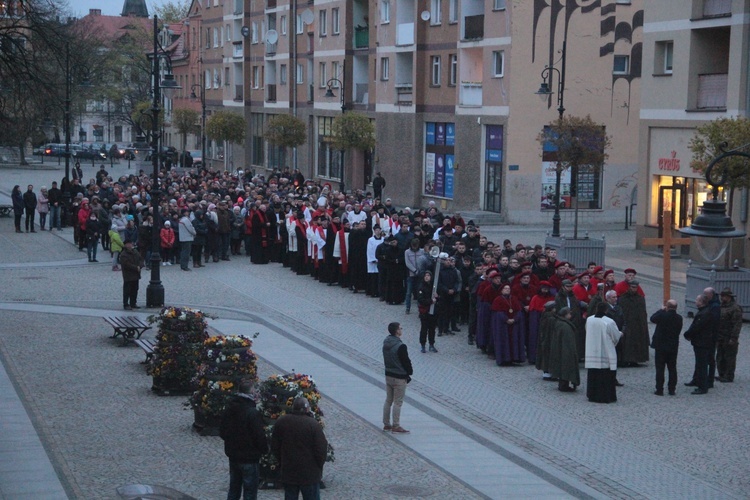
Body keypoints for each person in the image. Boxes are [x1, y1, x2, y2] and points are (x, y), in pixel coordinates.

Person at [271, 397, 328, 500]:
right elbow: (321, 449)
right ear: (307, 409)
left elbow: (275, 446)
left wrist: (282, 461)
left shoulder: (282, 422)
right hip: (309, 473)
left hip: (289, 471)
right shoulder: (313, 425)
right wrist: (318, 466)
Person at [219, 379, 268, 500]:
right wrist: (264, 450)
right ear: (250, 392)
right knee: (250, 492)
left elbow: (222, 431)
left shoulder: (230, 409)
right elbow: (259, 436)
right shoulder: (252, 412)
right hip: (250, 458)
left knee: (234, 489)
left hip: (234, 456)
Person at [585, 302, 622, 403]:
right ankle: (606, 396)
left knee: (593, 375)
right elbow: (615, 336)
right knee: (605, 376)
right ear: (606, 310)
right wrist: (620, 334)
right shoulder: (609, 322)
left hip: (592, 351)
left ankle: (592, 395)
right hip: (605, 352)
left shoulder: (589, 319)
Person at [382, 322, 413, 434]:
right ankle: (396, 425)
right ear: (397, 331)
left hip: (388, 374)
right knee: (398, 402)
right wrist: (409, 372)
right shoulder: (401, 346)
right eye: (400, 328)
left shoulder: (386, 342)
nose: (401, 329)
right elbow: (406, 361)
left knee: (388, 400)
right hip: (399, 377)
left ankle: (386, 423)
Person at [650, 299, 683, 396]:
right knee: (672, 368)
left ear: (667, 307)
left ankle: (659, 389)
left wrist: (661, 310)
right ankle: (672, 389)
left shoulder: (662, 315)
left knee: (660, 368)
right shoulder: (679, 318)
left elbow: (652, 318)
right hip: (673, 346)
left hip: (660, 346)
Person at [683, 294, 713, 395]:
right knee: (699, 363)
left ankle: (702, 386)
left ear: (702, 302)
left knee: (702, 364)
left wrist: (687, 334)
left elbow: (697, 327)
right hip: (701, 341)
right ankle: (697, 380)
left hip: (702, 342)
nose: (695, 301)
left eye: (697, 300)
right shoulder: (705, 311)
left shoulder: (704, 313)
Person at [618, 280, 650, 366]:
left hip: (637, 324)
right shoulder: (623, 298)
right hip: (627, 324)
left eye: (635, 287)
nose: (634, 289)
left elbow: (643, 312)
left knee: (636, 342)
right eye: (632, 287)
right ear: (629, 287)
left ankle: (635, 360)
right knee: (626, 342)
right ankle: (625, 359)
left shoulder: (640, 298)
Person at [549, 307, 580, 392]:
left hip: (560, 350)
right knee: (566, 367)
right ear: (565, 315)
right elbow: (568, 341)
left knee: (562, 367)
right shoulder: (565, 326)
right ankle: (564, 385)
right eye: (569, 313)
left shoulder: (559, 323)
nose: (571, 315)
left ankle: (563, 384)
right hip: (566, 351)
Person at [716, 287, 743, 383]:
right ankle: (722, 374)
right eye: (721, 296)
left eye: (723, 296)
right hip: (720, 336)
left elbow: (737, 324)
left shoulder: (735, 308)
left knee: (729, 357)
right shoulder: (721, 306)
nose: (721, 298)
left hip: (729, 336)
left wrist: (734, 337)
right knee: (720, 356)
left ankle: (729, 376)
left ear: (728, 297)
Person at [415, 270, 438, 353]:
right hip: (424, 311)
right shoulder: (421, 287)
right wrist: (431, 301)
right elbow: (421, 300)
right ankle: (423, 345)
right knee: (424, 329)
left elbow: (437, 298)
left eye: (428, 275)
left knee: (432, 329)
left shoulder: (433, 287)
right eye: (425, 275)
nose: (427, 277)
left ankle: (431, 344)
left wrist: (437, 297)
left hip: (433, 312)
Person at [120, 238, 143, 310]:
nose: (130, 245)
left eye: (131, 243)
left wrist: (140, 266)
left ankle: (133, 303)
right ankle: (126, 304)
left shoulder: (135, 251)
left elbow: (140, 259)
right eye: (129, 244)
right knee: (127, 290)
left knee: (135, 289)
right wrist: (136, 267)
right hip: (128, 275)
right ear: (126, 245)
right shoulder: (123, 254)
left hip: (136, 274)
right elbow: (126, 264)